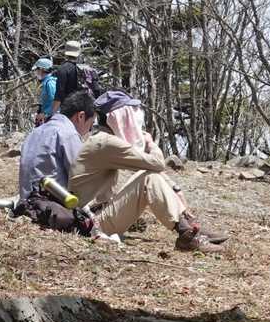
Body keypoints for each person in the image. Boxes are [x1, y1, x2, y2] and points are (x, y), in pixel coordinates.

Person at [70, 91, 226, 251]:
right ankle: (186, 233)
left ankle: (189, 225)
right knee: (149, 178)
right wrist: (150, 143)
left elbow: (148, 167)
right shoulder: (106, 143)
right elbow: (157, 163)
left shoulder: (101, 139)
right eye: (130, 114)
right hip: (92, 222)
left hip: (93, 215)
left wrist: (175, 188)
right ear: (118, 118)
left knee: (148, 174)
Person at [52, 40, 97, 111]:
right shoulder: (86, 69)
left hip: (69, 109)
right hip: (85, 107)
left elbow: (59, 94)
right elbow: (96, 88)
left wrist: (53, 113)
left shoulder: (63, 69)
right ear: (79, 53)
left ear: (66, 53)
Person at [33, 57, 56, 125]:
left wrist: (45, 114)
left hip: (50, 119)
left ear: (42, 70)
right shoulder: (46, 82)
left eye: (37, 69)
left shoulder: (50, 83)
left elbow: (54, 100)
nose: (35, 72)